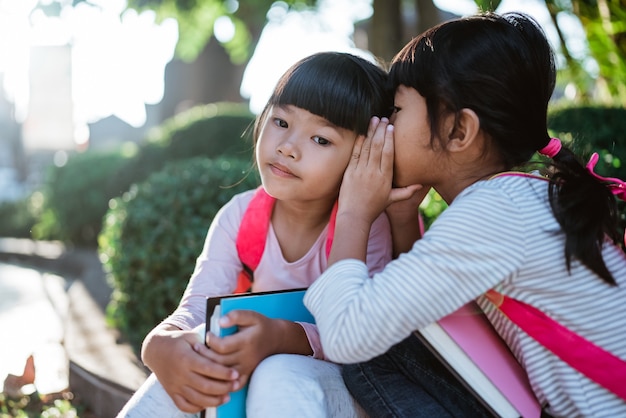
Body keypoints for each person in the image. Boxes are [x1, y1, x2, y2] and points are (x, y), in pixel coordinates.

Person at [304, 12, 626, 418]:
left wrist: (353, 211)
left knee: (372, 353)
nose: (381, 125)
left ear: (459, 131)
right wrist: (404, 218)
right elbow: (429, 311)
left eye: (397, 110)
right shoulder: (520, 195)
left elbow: (347, 334)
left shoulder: (495, 212)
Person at [116, 51, 394, 418]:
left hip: (340, 390)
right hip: (254, 384)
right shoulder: (241, 216)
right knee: (196, 356)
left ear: (364, 157)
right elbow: (199, 307)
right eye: (281, 121)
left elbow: (362, 337)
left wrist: (279, 337)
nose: (287, 147)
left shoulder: (366, 225)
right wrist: (158, 345)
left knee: (277, 370)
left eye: (321, 140)